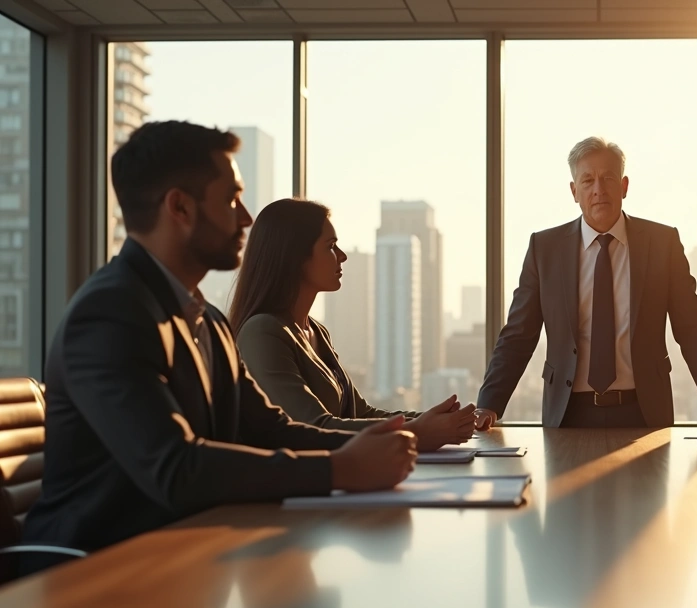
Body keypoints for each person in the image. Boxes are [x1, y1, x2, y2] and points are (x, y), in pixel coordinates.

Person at [20, 121, 418, 575]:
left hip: (183, 560)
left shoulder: (205, 319)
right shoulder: (109, 315)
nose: (247, 218)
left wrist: (374, 446)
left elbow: (272, 429)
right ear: (180, 207)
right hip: (95, 575)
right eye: (232, 199)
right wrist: (340, 470)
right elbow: (177, 468)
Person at [475, 136, 697, 429]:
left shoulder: (662, 244)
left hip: (645, 412)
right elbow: (518, 336)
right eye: (587, 180)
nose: (598, 190)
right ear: (574, 191)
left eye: (608, 178)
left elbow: (692, 328)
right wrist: (488, 405)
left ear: (624, 186)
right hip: (567, 414)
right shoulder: (544, 249)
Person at [229, 198, 477, 451]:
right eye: (331, 246)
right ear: (295, 256)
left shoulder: (316, 331)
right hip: (295, 488)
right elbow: (313, 428)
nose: (342, 256)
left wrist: (434, 420)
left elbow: (361, 413)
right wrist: (419, 432)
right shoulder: (262, 333)